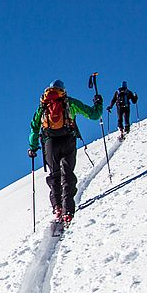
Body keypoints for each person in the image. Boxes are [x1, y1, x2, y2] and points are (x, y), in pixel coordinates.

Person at [28, 80, 103, 223]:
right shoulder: (69, 103)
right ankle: (68, 209)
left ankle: (57, 207)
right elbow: (93, 115)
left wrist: (32, 147)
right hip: (68, 139)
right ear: (63, 90)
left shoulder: (43, 106)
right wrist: (98, 103)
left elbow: (34, 128)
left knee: (54, 175)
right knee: (67, 173)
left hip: (49, 143)